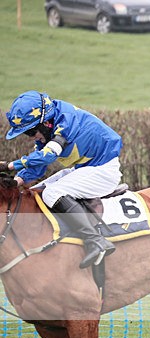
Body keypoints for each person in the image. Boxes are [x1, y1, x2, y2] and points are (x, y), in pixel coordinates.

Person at [1, 91, 120, 268]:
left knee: (52, 193)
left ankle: (96, 241)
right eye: (28, 134)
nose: (33, 137)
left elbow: (47, 157)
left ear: (45, 122)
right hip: (86, 168)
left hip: (103, 170)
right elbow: (38, 165)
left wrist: (10, 165)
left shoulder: (64, 124)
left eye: (32, 131)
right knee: (36, 192)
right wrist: (17, 181)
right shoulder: (49, 126)